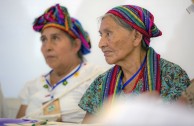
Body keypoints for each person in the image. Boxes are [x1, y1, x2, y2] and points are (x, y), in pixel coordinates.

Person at [78, 4, 191, 123]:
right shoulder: (101, 83)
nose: (101, 44)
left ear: (136, 37)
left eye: (109, 34)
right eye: (101, 35)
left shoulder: (172, 76)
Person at [16, 4, 105, 123]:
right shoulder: (32, 85)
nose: (47, 47)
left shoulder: (97, 78)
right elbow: (16, 123)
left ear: (76, 45)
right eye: (43, 40)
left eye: (55, 38)